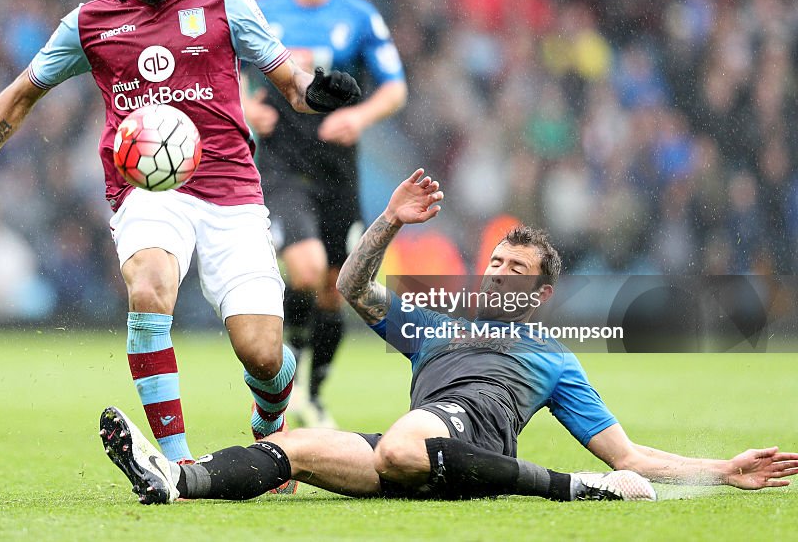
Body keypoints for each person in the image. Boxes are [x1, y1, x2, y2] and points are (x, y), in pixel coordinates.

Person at [0, 0, 362, 473]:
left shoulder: (227, 4)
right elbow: (21, 95)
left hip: (231, 189)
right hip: (146, 191)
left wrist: (314, 92)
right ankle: (175, 464)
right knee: (149, 287)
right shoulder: (90, 22)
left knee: (263, 352)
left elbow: (290, 79)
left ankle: (269, 425)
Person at [99, 169, 798, 504]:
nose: (497, 274)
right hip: (417, 443)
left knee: (404, 441)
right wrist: (393, 220)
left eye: (515, 270)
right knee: (286, 447)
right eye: (494, 261)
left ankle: (578, 487)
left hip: (468, 442)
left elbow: (630, 451)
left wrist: (721, 470)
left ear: (540, 293)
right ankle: (174, 479)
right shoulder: (436, 323)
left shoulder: (553, 359)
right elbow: (351, 287)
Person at [244, 0, 408, 428]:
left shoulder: (358, 16)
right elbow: (218, 74)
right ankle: (285, 385)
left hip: (338, 170)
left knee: (336, 287)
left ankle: (312, 395)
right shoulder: (259, 13)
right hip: (281, 163)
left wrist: (358, 115)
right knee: (308, 267)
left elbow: (395, 87)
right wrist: (246, 107)